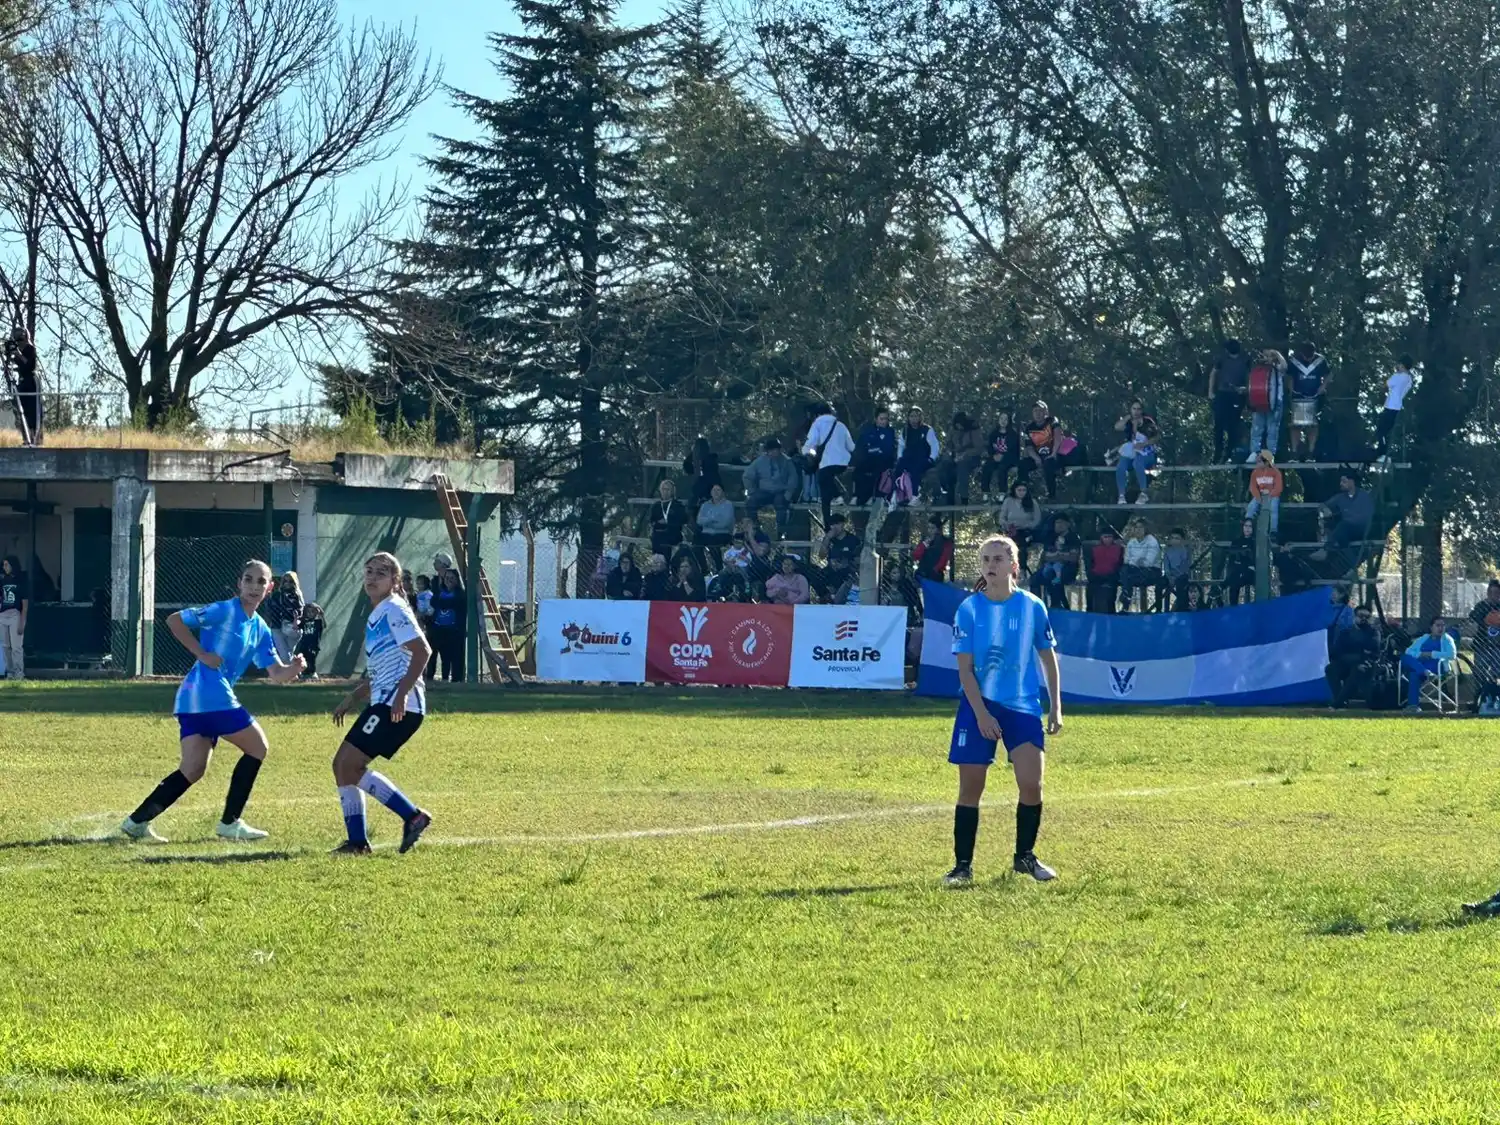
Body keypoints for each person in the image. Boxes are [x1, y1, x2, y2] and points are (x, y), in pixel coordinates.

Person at [118, 559, 306, 843]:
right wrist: (201, 654)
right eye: (248, 579)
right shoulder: (224, 610)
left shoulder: (261, 628)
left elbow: (277, 673)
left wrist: (294, 669)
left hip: (192, 701)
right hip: (208, 694)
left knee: (193, 769)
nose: (254, 586)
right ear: (239, 583)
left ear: (269, 588)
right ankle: (230, 823)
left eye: (260, 581)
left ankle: (136, 822)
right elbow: (175, 620)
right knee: (258, 747)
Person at [945, 534, 1063, 886]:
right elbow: (965, 670)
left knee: (1031, 784)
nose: (990, 566)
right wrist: (981, 714)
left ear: (1014, 565)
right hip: (978, 706)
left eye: (998, 559)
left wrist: (1055, 707)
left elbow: (1048, 658)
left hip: (1023, 708)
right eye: (985, 560)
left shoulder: (1033, 607)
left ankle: (1024, 858)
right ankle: (962, 866)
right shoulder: (969, 609)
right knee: (970, 788)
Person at [329, 552, 434, 855]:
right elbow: (384, 670)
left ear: (395, 581)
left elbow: (422, 652)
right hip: (386, 702)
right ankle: (359, 841)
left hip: (398, 705)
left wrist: (401, 694)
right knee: (343, 766)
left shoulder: (393, 609)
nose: (373, 577)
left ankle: (409, 818)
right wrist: (353, 697)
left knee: (348, 764)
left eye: (381, 573)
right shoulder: (378, 615)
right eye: (369, 571)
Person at [802, 402, 856, 528]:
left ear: (817, 414)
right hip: (843, 463)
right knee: (826, 484)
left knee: (824, 486)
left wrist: (806, 452)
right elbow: (851, 446)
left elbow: (810, 444)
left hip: (826, 463)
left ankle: (829, 519)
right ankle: (837, 502)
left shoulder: (817, 424)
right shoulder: (841, 425)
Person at [1325, 604, 1381, 709]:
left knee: (1358, 670)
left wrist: (1360, 657)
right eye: (1360, 615)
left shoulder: (1374, 633)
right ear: (1354, 617)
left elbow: (1374, 651)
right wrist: (1360, 654)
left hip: (1366, 665)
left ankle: (1337, 704)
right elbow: (1338, 652)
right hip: (1347, 663)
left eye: (1367, 617)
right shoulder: (1345, 633)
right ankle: (1341, 700)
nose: (1363, 619)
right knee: (1330, 669)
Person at [743, 438, 801, 536]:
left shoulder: (787, 461)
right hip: (764, 491)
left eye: (776, 449)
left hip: (780, 491)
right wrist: (752, 490)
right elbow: (747, 476)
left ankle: (781, 532)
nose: (774, 452)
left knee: (781, 505)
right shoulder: (759, 462)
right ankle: (755, 528)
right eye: (772, 450)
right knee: (750, 503)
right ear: (767, 451)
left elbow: (793, 478)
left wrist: (788, 493)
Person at [1402, 617, 1458, 713]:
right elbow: (1409, 651)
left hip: (1437, 667)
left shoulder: (1447, 639)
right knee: (1405, 657)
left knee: (1414, 674)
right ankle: (1424, 672)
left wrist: (1431, 654)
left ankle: (1413, 705)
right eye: (1438, 625)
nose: (1441, 628)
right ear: (1431, 627)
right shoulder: (1424, 638)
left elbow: (1451, 655)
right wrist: (1420, 654)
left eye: (1443, 625)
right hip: (1421, 665)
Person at [1315, 472, 1375, 559]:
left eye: (1344, 481)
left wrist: (1350, 521)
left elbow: (1367, 516)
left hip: (1362, 530)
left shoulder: (1364, 496)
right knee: (1340, 530)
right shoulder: (1340, 497)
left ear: (1351, 482)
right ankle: (1347, 560)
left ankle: (1325, 550)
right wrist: (1325, 510)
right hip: (1346, 530)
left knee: (1343, 526)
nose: (1341, 484)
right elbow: (1322, 506)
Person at [1209, 338, 1249, 463]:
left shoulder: (1246, 359)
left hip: (1237, 395)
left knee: (1233, 426)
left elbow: (1250, 377)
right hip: (1223, 394)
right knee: (1219, 425)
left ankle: (1229, 453)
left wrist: (1246, 389)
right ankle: (1218, 452)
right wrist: (1211, 391)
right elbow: (1213, 373)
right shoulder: (1222, 359)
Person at [1287, 342, 1330, 458]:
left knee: (1313, 424)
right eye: (1306, 356)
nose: (1308, 358)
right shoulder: (1294, 360)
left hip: (1314, 396)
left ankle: (1311, 451)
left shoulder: (1320, 360)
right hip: (1298, 395)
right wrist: (1291, 390)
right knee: (1296, 425)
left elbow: (1327, 374)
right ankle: (1295, 452)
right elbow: (1289, 376)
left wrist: (1323, 386)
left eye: (1310, 356)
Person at [1030, 515, 1081, 609]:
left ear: (1068, 524)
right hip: (1050, 566)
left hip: (1069, 569)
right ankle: (1036, 606)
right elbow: (1045, 556)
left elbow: (1073, 558)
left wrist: (1057, 556)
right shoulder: (1051, 537)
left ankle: (1058, 605)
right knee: (1034, 579)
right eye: (1056, 523)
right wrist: (1061, 556)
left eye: (1060, 522)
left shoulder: (1073, 538)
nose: (1058, 525)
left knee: (1054, 577)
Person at [1113, 400, 1159, 505]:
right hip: (1132, 452)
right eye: (1134, 409)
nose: (1136, 411)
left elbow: (1156, 437)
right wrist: (1126, 418)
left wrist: (1143, 444)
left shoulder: (1148, 421)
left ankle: (1143, 493)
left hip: (1147, 453)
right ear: (1130, 410)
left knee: (1137, 462)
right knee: (1121, 466)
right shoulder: (1129, 422)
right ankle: (1121, 496)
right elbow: (1117, 427)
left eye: (1138, 409)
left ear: (1142, 410)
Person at [1246, 348, 1286, 462]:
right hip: (1259, 402)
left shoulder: (1277, 368)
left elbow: (1284, 366)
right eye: (1264, 356)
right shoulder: (1257, 369)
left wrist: (1277, 354)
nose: (1266, 358)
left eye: (1269, 356)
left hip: (1275, 402)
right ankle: (1254, 452)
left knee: (1272, 429)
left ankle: (1270, 454)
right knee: (1256, 428)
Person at [852, 408, 898, 506]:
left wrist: (876, 449)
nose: (884, 421)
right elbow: (863, 446)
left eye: (886, 419)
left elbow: (888, 448)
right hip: (869, 459)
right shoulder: (868, 431)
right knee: (859, 470)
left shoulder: (890, 432)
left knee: (876, 473)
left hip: (884, 461)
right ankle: (857, 496)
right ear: (876, 419)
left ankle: (872, 497)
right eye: (881, 419)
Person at [894, 407, 940, 504]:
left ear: (920, 417)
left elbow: (935, 446)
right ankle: (895, 495)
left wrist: (931, 458)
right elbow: (901, 446)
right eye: (911, 416)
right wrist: (899, 458)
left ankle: (915, 495)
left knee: (916, 469)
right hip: (908, 458)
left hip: (924, 459)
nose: (913, 419)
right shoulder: (905, 431)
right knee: (898, 468)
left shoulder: (927, 430)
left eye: (916, 416)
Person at [427, 569, 466, 683]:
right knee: (441, 656)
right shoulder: (439, 592)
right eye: (447, 578)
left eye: (452, 578)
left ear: (457, 580)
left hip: (453, 630)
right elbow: (434, 603)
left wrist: (443, 603)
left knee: (454, 656)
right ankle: (439, 677)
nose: (449, 580)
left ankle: (456, 679)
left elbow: (451, 603)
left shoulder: (460, 594)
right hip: (439, 629)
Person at [1374, 355, 1414, 461]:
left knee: (1381, 431)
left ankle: (1382, 454)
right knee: (1387, 431)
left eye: (1399, 364)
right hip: (1398, 407)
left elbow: (1386, 385)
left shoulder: (1398, 376)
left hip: (1390, 406)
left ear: (1402, 365)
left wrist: (1380, 387)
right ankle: (1385, 454)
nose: (1397, 366)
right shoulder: (1409, 379)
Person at [1017, 401, 1061, 497]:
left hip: (1053, 455)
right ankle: (1025, 494)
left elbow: (1058, 438)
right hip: (1038, 456)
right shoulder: (1029, 428)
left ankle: (1051, 495)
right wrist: (1036, 458)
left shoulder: (1052, 421)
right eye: (1035, 411)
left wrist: (1053, 454)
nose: (1038, 413)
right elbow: (1028, 446)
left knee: (1049, 465)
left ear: (1046, 412)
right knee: (1022, 465)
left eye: (1040, 410)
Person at [5, 325, 40, 446]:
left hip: (30, 382)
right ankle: (25, 439)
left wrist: (18, 354)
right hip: (22, 381)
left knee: (32, 411)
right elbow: (14, 364)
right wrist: (9, 353)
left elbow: (30, 365)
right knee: (22, 410)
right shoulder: (19, 350)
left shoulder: (30, 349)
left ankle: (34, 438)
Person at [1119, 518, 1163, 612]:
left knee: (1127, 577)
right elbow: (1126, 560)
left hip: (1152, 571)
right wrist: (1138, 561)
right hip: (1134, 570)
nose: (1138, 530)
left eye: (1141, 527)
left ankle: (1125, 602)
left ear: (1146, 529)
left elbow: (1148, 562)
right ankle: (1125, 603)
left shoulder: (1152, 541)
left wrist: (1135, 561)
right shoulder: (1132, 542)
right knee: (1124, 571)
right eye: (1136, 527)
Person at [997, 482, 1043, 573]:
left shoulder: (1032, 502)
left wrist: (1026, 525)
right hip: (1010, 530)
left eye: (1024, 490)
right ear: (1014, 490)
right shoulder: (1008, 501)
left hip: (1026, 531)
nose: (1021, 492)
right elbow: (1002, 518)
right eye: (1019, 490)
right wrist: (1006, 525)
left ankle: (1021, 570)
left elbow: (1037, 520)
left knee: (1021, 547)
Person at [816, 514, 861, 604]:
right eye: (832, 525)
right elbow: (821, 556)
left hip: (847, 571)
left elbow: (858, 559)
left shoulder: (852, 539)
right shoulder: (829, 539)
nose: (834, 527)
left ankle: (836, 599)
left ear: (843, 524)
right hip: (831, 570)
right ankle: (826, 598)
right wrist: (827, 538)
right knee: (817, 575)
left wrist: (845, 563)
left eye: (837, 524)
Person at [941, 411, 984, 505]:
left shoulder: (973, 429)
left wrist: (965, 454)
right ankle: (947, 495)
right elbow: (948, 444)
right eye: (956, 426)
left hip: (971, 458)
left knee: (962, 468)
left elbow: (979, 448)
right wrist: (949, 452)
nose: (958, 428)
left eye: (960, 425)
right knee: (945, 467)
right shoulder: (953, 429)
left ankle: (964, 497)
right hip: (955, 457)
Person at [1468, 579, 1500, 698]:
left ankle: (1493, 694)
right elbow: (1473, 622)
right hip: (1482, 645)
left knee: (1496, 671)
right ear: (1487, 593)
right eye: (1491, 593)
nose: (1494, 596)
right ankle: (1479, 697)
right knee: (1480, 671)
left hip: (1498, 646)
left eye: (1497, 593)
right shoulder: (1481, 606)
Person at [264, 571, 304, 663]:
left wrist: (296, 621)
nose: (287, 583)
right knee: (285, 655)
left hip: (291, 627)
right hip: (277, 626)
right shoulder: (276, 595)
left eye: (290, 581)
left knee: (287, 654)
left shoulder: (297, 595)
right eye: (285, 581)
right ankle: (294, 673)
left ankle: (294, 671)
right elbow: (270, 610)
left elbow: (300, 611)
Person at [696, 483, 737, 569]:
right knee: (695, 545)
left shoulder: (728, 505)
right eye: (714, 490)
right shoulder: (705, 505)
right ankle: (704, 569)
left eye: (718, 490)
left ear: (723, 492)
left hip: (722, 533)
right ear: (710, 492)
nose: (716, 492)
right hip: (706, 533)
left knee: (713, 544)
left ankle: (719, 569)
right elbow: (699, 521)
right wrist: (713, 519)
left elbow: (725, 523)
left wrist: (707, 521)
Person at [981, 411, 1020, 501]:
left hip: (1009, 459)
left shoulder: (1013, 435)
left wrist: (1003, 456)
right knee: (987, 466)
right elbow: (990, 448)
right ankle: (985, 492)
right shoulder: (993, 434)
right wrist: (994, 455)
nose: (1003, 421)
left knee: (1002, 469)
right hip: (995, 457)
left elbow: (1014, 451)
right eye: (1001, 419)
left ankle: (1002, 493)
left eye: (1006, 419)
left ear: (1009, 421)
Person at [0, 554, 27, 680]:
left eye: (7, 564)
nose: (4, 567)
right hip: (3, 615)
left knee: (16, 646)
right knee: (5, 646)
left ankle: (19, 672)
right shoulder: (2, 580)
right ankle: (10, 672)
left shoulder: (21, 580)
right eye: (3, 564)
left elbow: (24, 604)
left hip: (15, 614)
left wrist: (22, 622)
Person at [647, 479, 689, 559]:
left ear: (672, 491)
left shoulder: (677, 505)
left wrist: (667, 522)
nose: (665, 491)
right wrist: (658, 523)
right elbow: (652, 520)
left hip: (673, 535)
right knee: (656, 539)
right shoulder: (656, 506)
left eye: (667, 489)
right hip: (658, 535)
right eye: (663, 489)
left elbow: (683, 520)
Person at [1245, 450, 1284, 536]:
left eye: (1259, 461)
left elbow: (1278, 487)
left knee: (1273, 508)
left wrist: (1270, 494)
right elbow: (1253, 487)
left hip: (1273, 495)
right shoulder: (1255, 473)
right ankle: (1248, 527)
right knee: (1251, 507)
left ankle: (1273, 530)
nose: (1257, 463)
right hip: (1260, 495)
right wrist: (1258, 497)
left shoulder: (1275, 472)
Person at [1086, 528, 1124, 614]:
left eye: (1110, 537)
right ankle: (1089, 612)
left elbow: (1120, 565)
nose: (1107, 539)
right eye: (1105, 537)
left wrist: (1113, 575)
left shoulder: (1118, 549)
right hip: (1097, 575)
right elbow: (1090, 565)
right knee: (1090, 590)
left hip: (1112, 576)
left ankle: (1111, 613)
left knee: (1110, 593)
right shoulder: (1094, 549)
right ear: (1101, 538)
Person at [1224, 519, 1257, 605]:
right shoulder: (1236, 542)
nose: (1247, 528)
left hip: (1251, 572)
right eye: (1246, 526)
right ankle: (1233, 608)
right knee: (1233, 583)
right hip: (1237, 570)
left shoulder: (1256, 542)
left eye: (1250, 526)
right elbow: (1232, 558)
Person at [913, 515, 954, 583]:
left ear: (938, 529)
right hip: (923, 573)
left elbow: (944, 559)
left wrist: (935, 570)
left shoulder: (946, 542)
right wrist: (924, 545)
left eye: (933, 528)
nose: (930, 530)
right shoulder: (925, 540)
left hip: (935, 575)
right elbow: (916, 556)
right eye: (929, 528)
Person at [682, 437, 722, 506]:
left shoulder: (694, 461)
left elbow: (686, 467)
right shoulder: (711, 459)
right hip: (711, 491)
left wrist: (694, 452)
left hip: (697, 492)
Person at [1161, 528, 1192, 612]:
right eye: (1172, 538)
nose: (1174, 540)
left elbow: (1186, 566)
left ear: (1182, 540)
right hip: (1170, 575)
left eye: (1177, 538)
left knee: (1181, 584)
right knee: (1159, 584)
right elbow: (1166, 567)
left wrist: (1177, 577)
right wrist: (1170, 577)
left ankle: (1182, 609)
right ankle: (1159, 609)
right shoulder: (1167, 551)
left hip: (1182, 576)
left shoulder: (1186, 551)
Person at [297, 602, 325, 680]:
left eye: (312, 612)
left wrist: (321, 614)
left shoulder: (318, 622)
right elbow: (297, 627)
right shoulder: (304, 621)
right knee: (304, 658)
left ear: (316, 613)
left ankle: (312, 673)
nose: (310, 614)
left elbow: (324, 625)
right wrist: (296, 618)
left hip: (314, 645)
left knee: (311, 659)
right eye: (308, 612)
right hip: (304, 644)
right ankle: (304, 673)